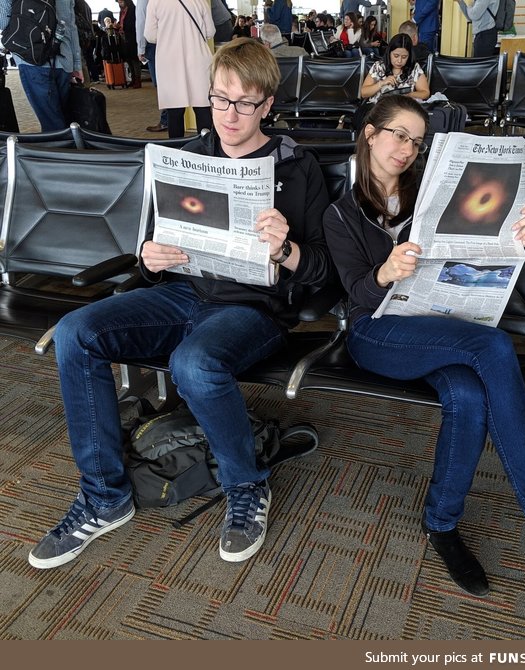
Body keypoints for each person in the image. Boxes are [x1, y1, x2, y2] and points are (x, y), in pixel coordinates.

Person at [27, 37, 333, 571]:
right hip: (180, 292)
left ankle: (246, 484)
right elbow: (148, 258)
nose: (229, 115)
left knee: (195, 364)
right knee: (76, 332)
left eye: (244, 103)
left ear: (267, 105)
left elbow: (322, 272)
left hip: (252, 308)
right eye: (219, 99)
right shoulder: (187, 159)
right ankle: (105, 496)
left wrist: (286, 249)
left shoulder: (295, 166)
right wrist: (149, 256)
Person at [322, 94, 525, 602]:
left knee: (470, 395)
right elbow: (353, 294)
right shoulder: (341, 214)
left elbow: (472, 251)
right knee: (494, 348)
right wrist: (384, 274)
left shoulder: (432, 195)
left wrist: (512, 236)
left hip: (439, 324)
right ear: (370, 134)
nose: (407, 149)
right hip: (377, 332)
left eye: (416, 141)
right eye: (398, 135)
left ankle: (441, 523)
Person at [0, 0, 83, 131]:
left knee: (52, 123)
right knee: (65, 119)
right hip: (63, 59)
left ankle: (59, 149)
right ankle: (71, 146)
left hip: (32, 58)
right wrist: (77, 65)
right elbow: (71, 26)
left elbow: (3, 21)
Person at [145, 0, 214, 138]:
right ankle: (207, 148)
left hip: (170, 61)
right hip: (198, 59)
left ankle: (177, 150)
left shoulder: (155, 2)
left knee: (174, 112)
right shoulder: (199, 1)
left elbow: (150, 35)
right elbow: (210, 31)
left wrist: (167, 35)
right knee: (202, 109)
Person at [360, 33, 430, 104]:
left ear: (410, 56)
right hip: (379, 109)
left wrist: (408, 95)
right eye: (396, 56)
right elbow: (364, 93)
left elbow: (425, 93)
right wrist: (381, 84)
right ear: (389, 53)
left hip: (403, 109)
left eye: (404, 57)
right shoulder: (379, 66)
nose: (399, 61)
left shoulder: (414, 68)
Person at [136, 0, 168, 132]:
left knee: (161, 86)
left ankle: (166, 120)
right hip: (168, 41)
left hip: (153, 43)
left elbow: (142, 22)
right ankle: (170, 118)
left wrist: (140, 48)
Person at [115, 0, 141, 88]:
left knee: (134, 59)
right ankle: (133, 79)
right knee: (128, 59)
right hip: (124, 37)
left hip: (132, 37)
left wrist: (122, 27)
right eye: (118, 2)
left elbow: (133, 24)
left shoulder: (133, 10)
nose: (120, 4)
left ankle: (137, 80)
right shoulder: (121, 11)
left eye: (121, 2)